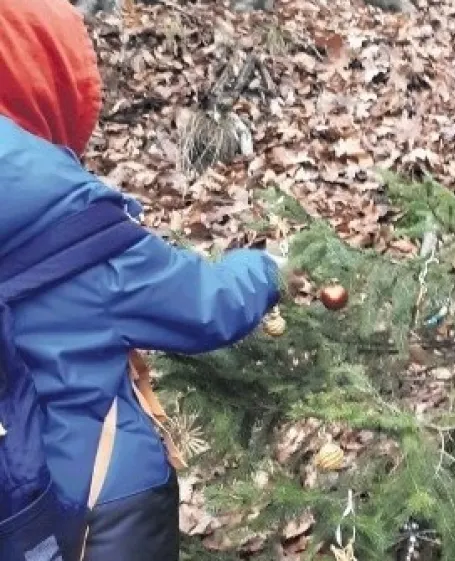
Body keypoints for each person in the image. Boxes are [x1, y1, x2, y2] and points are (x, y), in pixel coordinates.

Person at [0, 1, 284, 559]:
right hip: (96, 510)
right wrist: (272, 267)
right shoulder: (63, 211)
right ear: (45, 82)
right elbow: (207, 305)